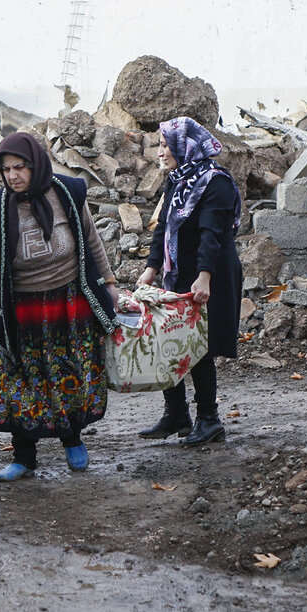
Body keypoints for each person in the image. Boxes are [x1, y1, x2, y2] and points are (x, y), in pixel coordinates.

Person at [0, 132, 119, 481]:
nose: (13, 176)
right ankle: (24, 458)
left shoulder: (67, 193)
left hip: (70, 301)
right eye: (6, 169)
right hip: (23, 312)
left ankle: (73, 440)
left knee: (69, 374)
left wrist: (111, 283)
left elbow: (91, 239)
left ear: (36, 165)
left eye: (20, 167)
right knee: (24, 380)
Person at [136, 116, 243, 446]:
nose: (160, 152)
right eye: (160, 145)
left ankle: (209, 420)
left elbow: (212, 234)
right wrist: (152, 269)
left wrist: (204, 278)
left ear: (186, 147)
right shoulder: (178, 181)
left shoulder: (216, 183)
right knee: (169, 342)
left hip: (210, 275)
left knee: (199, 348)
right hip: (179, 272)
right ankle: (177, 413)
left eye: (165, 145)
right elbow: (164, 228)